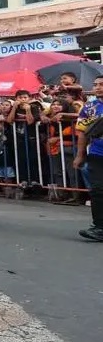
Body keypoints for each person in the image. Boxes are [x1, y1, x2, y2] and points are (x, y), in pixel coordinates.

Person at [72, 75, 103, 242]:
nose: (98, 87)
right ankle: (99, 228)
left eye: (101, 84)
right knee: (97, 190)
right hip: (97, 153)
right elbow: (82, 132)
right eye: (96, 84)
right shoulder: (89, 107)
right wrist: (80, 155)